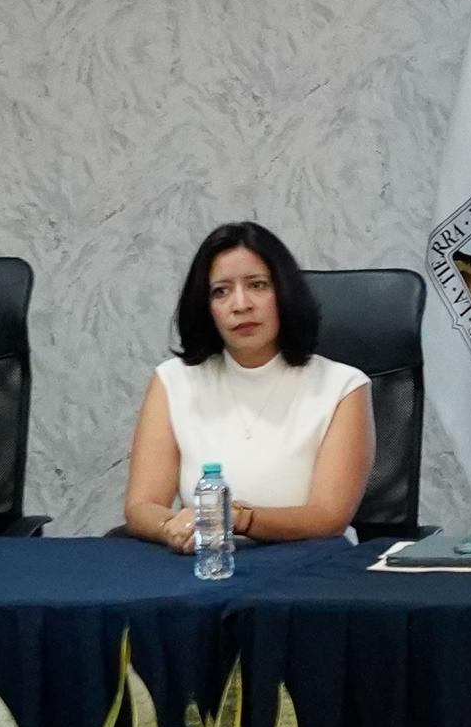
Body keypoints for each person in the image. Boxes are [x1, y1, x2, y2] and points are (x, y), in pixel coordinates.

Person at [122, 222, 374, 549]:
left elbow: (328, 517)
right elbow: (142, 505)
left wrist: (236, 518)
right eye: (221, 291)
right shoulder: (173, 381)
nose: (240, 305)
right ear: (206, 307)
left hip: (313, 562)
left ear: (284, 293)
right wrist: (170, 526)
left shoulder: (342, 386)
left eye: (257, 285)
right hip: (209, 561)